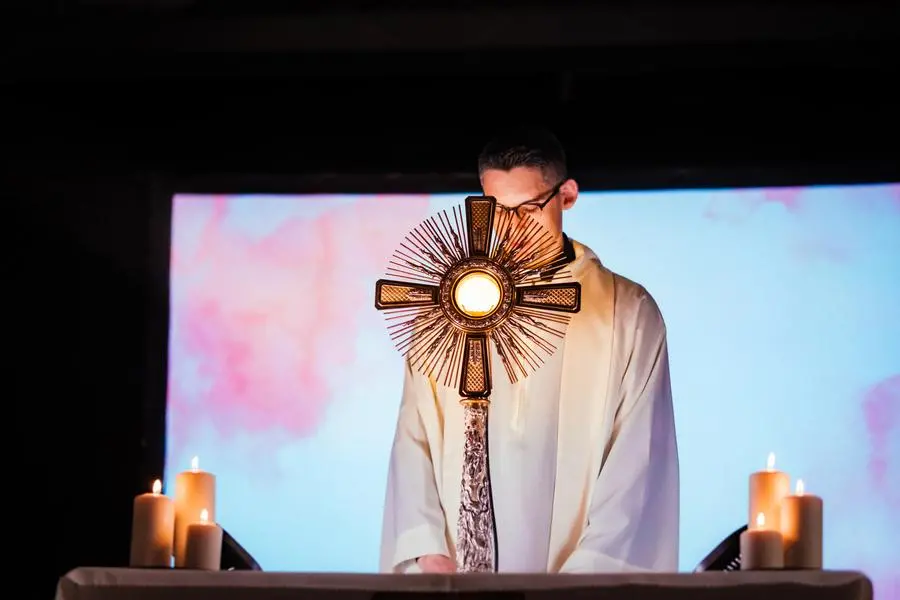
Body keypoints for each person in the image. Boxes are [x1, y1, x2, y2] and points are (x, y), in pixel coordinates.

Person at [379, 127, 679, 574]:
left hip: (575, 586)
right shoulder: (449, 307)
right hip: (455, 581)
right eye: (496, 211)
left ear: (567, 195)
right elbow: (414, 436)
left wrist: (578, 581)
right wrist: (429, 551)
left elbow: (638, 462)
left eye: (528, 209)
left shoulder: (626, 313)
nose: (510, 230)